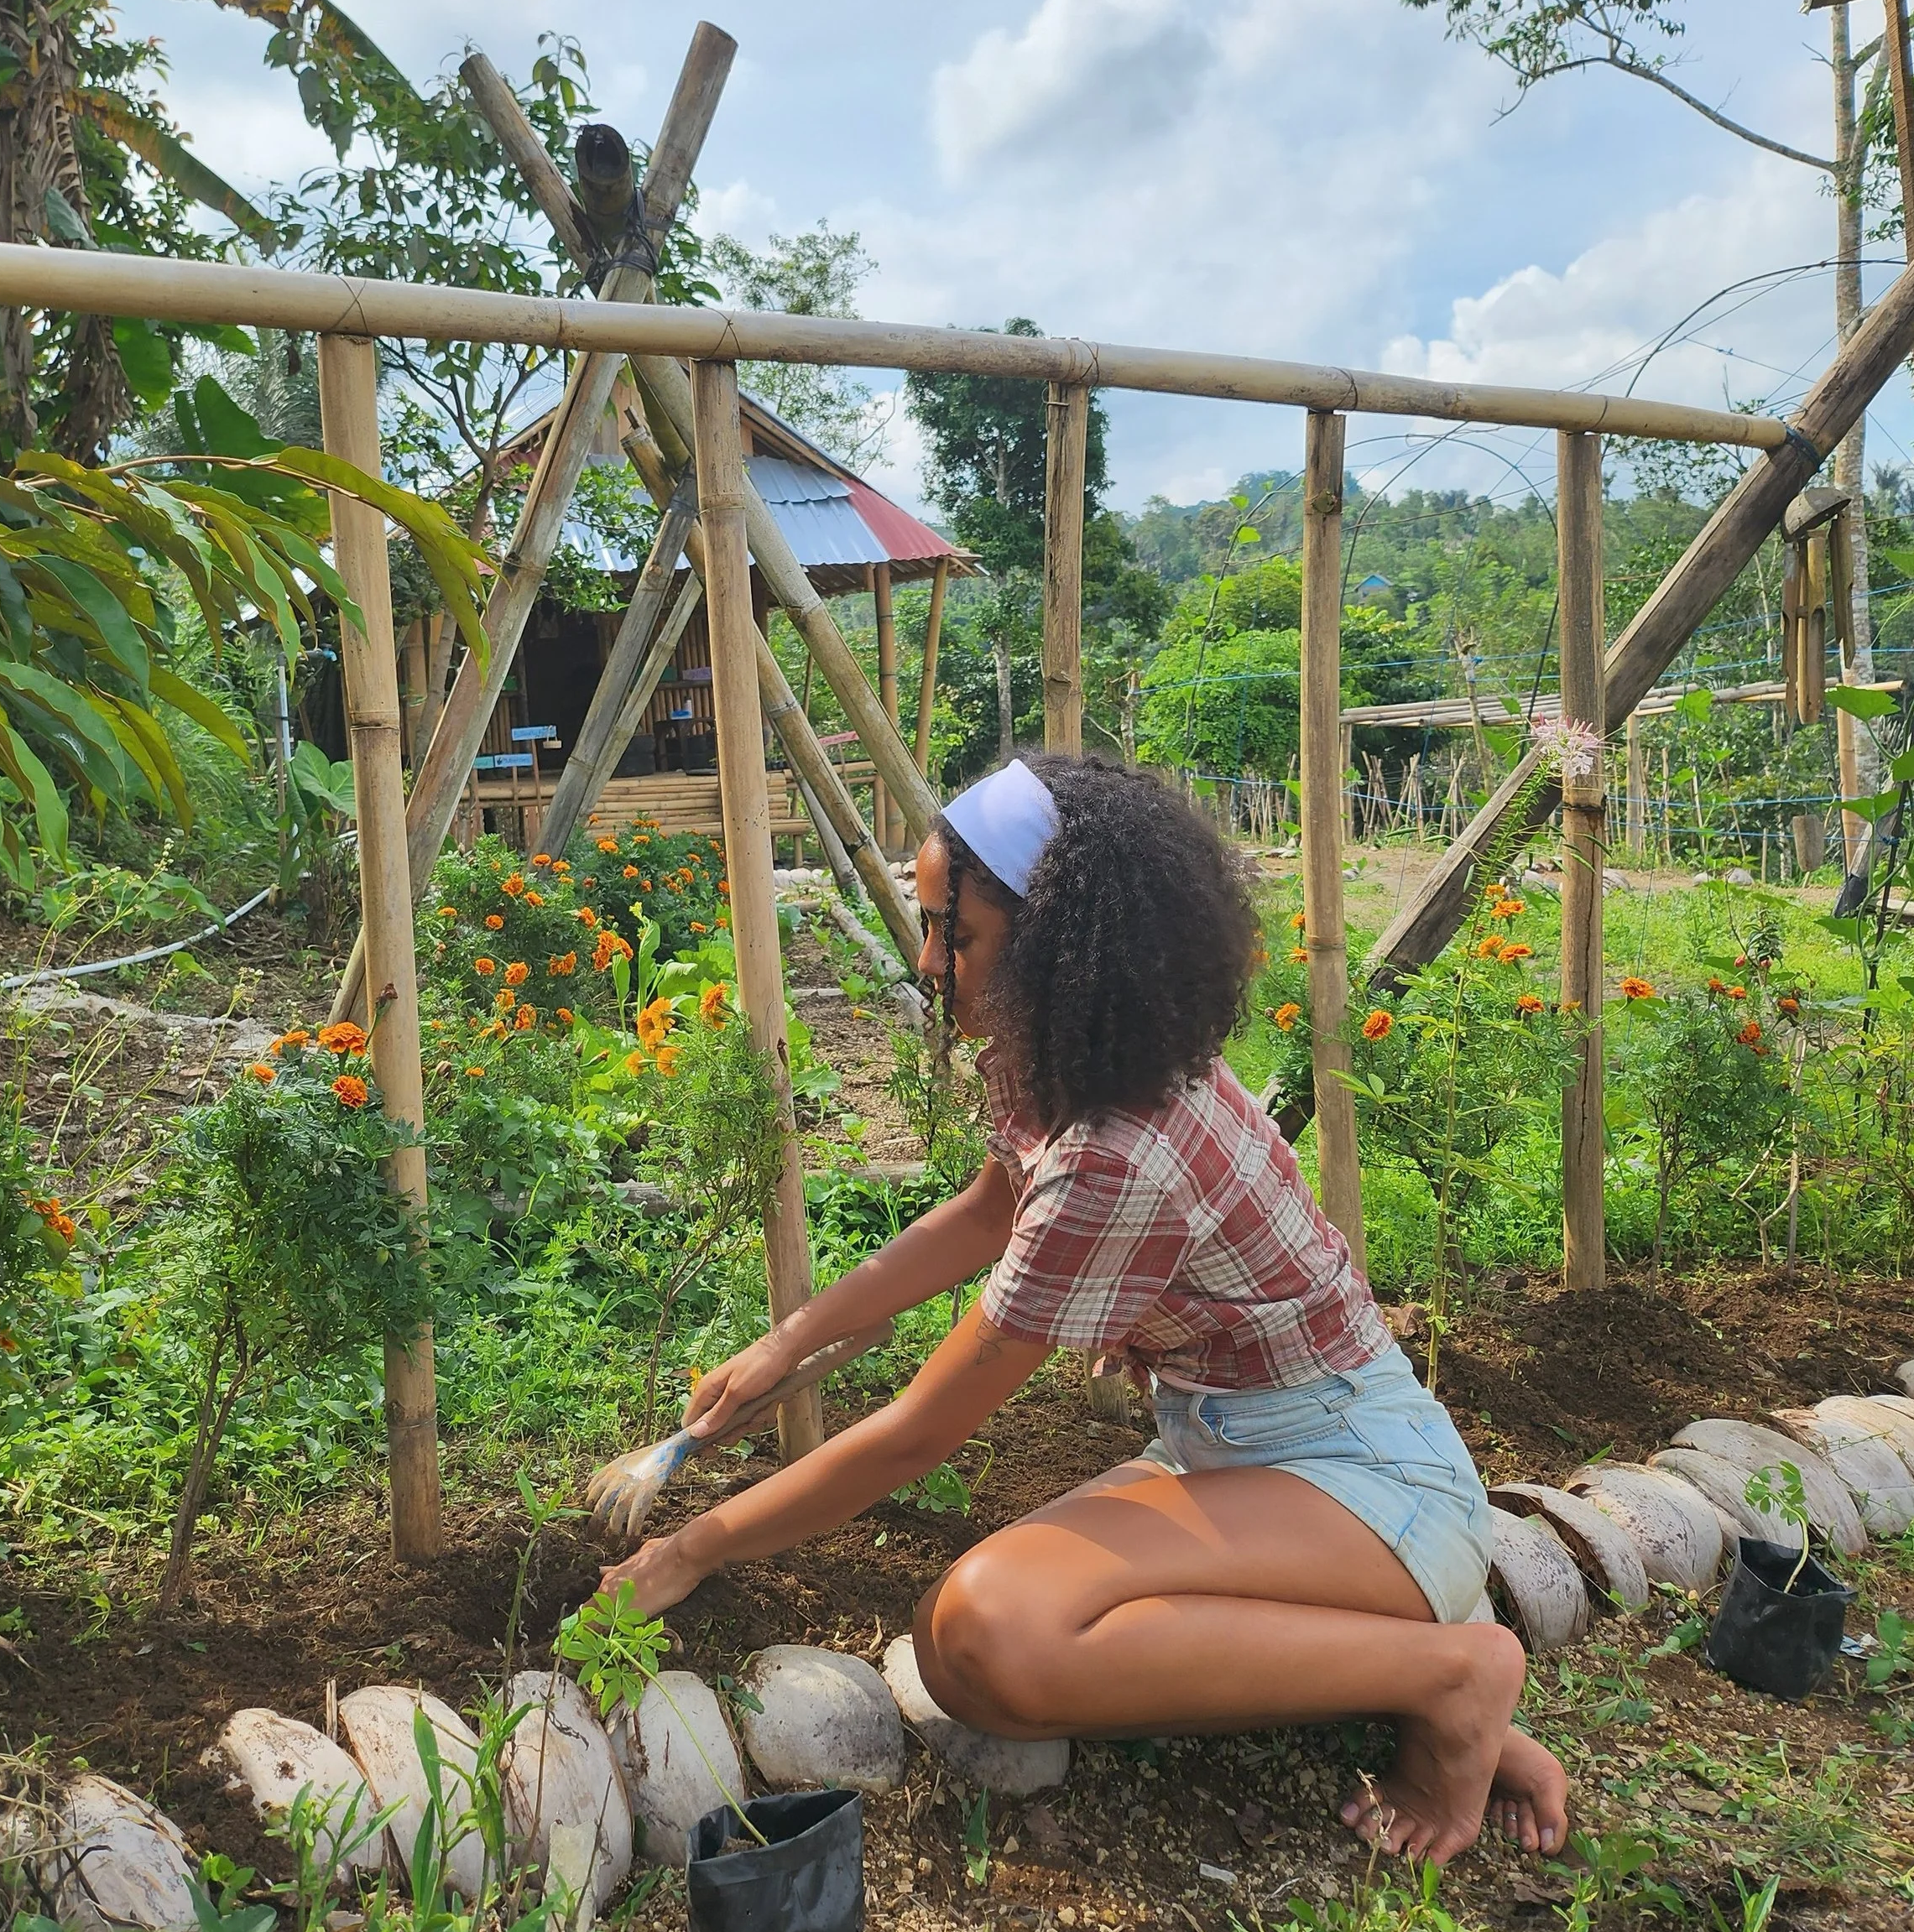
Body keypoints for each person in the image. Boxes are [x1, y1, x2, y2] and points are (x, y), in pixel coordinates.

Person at [601, 752, 1567, 1862]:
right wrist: (787, 1344)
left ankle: (1457, 1676)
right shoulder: (1068, 1056)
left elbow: (922, 1433)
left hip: (1359, 1482)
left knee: (994, 1637)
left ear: (1058, 943)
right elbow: (982, 1210)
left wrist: (693, 1551)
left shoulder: (1118, 1154)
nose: (928, 964)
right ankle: (1408, 1673)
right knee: (973, 1644)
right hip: (1243, 1455)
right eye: (928, 928)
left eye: (952, 938)